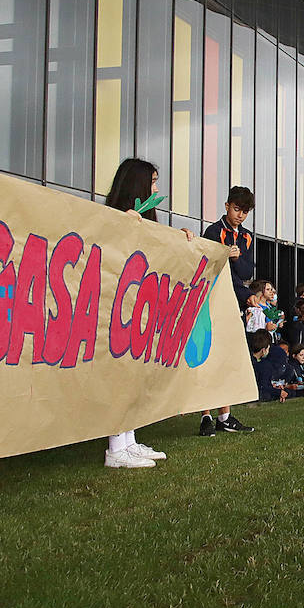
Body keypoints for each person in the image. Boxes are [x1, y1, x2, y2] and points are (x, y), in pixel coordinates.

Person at [100, 159, 174, 467]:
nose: (156, 189)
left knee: (133, 375)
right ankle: (116, 448)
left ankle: (128, 439)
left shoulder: (143, 220)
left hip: (138, 306)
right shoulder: (114, 218)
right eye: (152, 182)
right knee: (120, 375)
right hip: (118, 308)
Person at [200, 185, 258, 436]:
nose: (240, 215)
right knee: (208, 357)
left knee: (227, 357)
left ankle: (224, 415)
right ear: (226, 206)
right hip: (211, 298)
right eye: (237, 209)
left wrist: (235, 259)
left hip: (233, 299)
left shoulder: (246, 237)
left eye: (245, 212)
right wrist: (224, 255)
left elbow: (246, 273)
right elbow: (205, 265)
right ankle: (205, 415)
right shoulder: (213, 231)